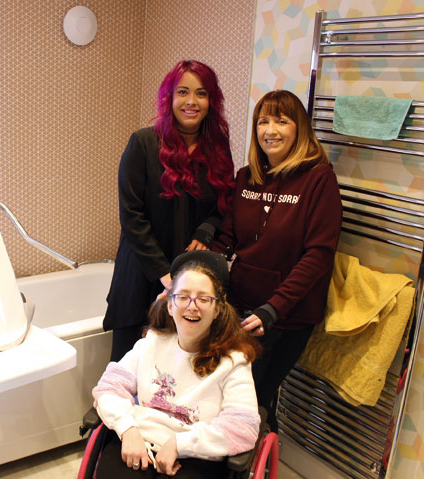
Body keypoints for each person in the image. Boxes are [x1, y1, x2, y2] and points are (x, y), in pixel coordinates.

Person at [212, 89, 342, 432]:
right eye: (263, 121)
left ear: (299, 128)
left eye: (281, 121)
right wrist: (189, 280)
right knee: (223, 399)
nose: (270, 130)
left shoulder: (318, 180)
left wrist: (274, 308)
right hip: (240, 308)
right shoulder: (246, 177)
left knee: (252, 402)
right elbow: (227, 239)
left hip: (286, 317)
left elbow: (318, 255)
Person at [104, 60, 235, 362]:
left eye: (201, 94)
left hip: (189, 277)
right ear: (169, 98)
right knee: (126, 366)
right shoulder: (144, 143)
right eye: (183, 92)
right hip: (142, 272)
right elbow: (131, 216)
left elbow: (224, 203)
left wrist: (207, 230)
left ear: (211, 101)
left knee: (173, 371)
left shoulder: (217, 147)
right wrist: (165, 275)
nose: (191, 102)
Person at [92, 250, 261, 478]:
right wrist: (127, 429)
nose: (192, 306)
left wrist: (178, 444)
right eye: (182, 296)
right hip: (139, 439)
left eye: (203, 299)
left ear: (218, 309)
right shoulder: (151, 343)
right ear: (170, 305)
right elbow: (108, 388)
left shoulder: (233, 362)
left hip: (197, 454)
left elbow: (242, 428)